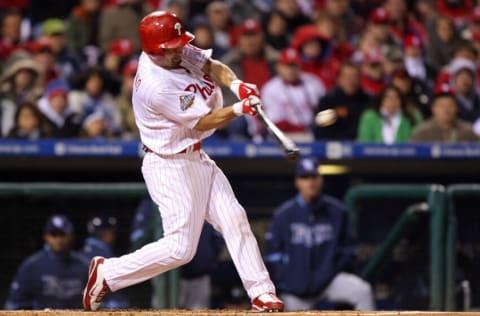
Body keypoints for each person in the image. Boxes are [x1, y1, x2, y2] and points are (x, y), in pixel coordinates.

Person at [82, 11, 284, 312]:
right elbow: (202, 121)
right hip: (168, 165)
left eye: (179, 43)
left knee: (234, 217)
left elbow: (211, 65)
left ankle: (261, 293)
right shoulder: (156, 84)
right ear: (155, 51)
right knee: (180, 249)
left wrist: (237, 84)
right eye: (173, 47)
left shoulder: (170, 51)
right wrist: (239, 108)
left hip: (195, 156)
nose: (180, 50)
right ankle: (108, 273)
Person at [265, 157, 375, 311]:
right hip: (296, 291)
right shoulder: (284, 215)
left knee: (362, 291)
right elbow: (272, 256)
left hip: (328, 282)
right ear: (297, 181)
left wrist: (329, 271)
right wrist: (289, 280)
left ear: (321, 179)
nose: (310, 182)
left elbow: (348, 250)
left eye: (314, 176)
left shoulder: (337, 211)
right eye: (305, 177)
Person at [130, 198, 223, 309]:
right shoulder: (152, 200)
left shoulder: (203, 198)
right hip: (165, 275)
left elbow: (218, 237)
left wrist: (210, 258)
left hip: (200, 277)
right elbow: (138, 238)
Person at [5, 214, 89, 310]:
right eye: (54, 234)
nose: (59, 240)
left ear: (71, 236)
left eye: (63, 234)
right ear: (46, 236)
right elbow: (14, 305)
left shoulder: (84, 266)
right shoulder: (31, 266)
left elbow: (102, 303)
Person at [261, 47, 326, 142]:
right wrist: (301, 129)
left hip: (312, 133)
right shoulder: (271, 88)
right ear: (278, 67)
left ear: (300, 66)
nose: (291, 70)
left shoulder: (313, 82)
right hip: (283, 135)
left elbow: (323, 108)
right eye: (287, 65)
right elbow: (275, 122)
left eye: (294, 65)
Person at [81, 213, 129, 309]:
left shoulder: (81, 253)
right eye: (112, 231)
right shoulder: (103, 254)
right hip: (100, 306)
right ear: (105, 232)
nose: (114, 235)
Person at [410, 84, 479, 142]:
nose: (446, 109)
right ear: (433, 109)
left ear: (457, 108)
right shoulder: (422, 133)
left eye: (450, 105)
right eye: (442, 105)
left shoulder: (467, 131)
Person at [357, 85, 422, 144]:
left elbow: (417, 140)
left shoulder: (412, 116)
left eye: (396, 98)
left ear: (401, 101)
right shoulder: (370, 117)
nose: (392, 101)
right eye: (389, 98)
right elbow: (364, 141)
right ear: (382, 101)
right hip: (375, 155)